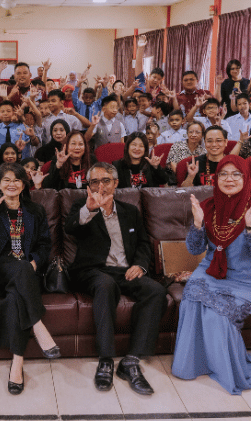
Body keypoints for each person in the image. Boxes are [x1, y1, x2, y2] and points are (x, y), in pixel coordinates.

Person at [172, 155, 251, 394]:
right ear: (216, 178)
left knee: (216, 317)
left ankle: (223, 367)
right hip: (210, 272)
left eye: (236, 174)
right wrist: (198, 225)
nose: (229, 179)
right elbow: (194, 249)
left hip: (246, 280)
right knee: (191, 302)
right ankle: (192, 365)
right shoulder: (208, 206)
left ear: (246, 178)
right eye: (223, 174)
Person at [65, 162, 167, 395]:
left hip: (125, 270)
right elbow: (70, 227)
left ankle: (131, 360)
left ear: (116, 183)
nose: (100, 186)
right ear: (88, 186)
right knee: (105, 284)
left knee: (156, 291)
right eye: (94, 182)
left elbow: (142, 243)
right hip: (93, 271)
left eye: (105, 181)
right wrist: (90, 209)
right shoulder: (82, 205)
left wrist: (140, 265)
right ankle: (106, 359)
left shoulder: (130, 211)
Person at [0, 163, 58, 395]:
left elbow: (44, 245)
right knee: (19, 270)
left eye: (17, 180)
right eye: (6, 180)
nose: (11, 184)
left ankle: (17, 365)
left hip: (27, 273)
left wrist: (33, 263)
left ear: (24, 184)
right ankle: (38, 325)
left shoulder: (36, 210)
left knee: (15, 300)